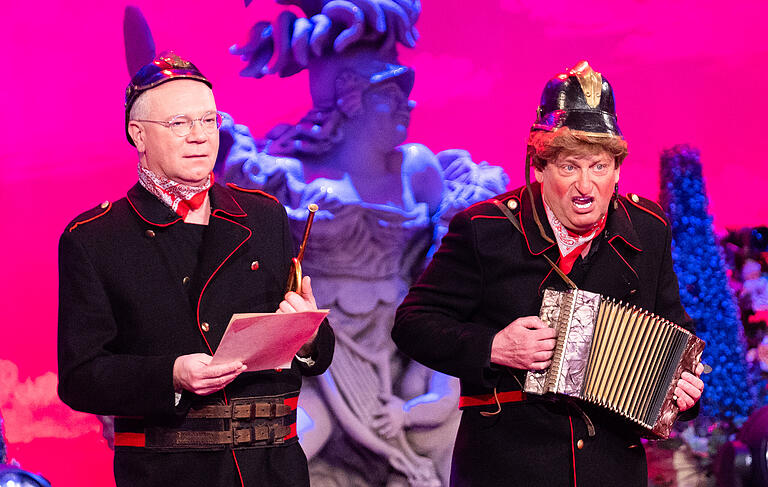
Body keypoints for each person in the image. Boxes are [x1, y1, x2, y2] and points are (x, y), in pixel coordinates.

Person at [392, 61, 705, 486]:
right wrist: (493, 347)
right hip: (508, 469)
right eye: (569, 166)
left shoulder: (649, 229)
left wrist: (683, 389)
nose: (585, 185)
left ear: (616, 170)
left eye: (598, 167)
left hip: (611, 470)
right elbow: (412, 325)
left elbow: (673, 332)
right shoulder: (486, 231)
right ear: (540, 169)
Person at [57, 52, 334, 487]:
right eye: (180, 124)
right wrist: (171, 374)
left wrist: (307, 332)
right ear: (138, 135)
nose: (200, 137)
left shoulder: (262, 216)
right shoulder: (96, 237)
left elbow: (311, 356)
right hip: (169, 471)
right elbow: (80, 378)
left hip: (273, 468)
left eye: (208, 121)